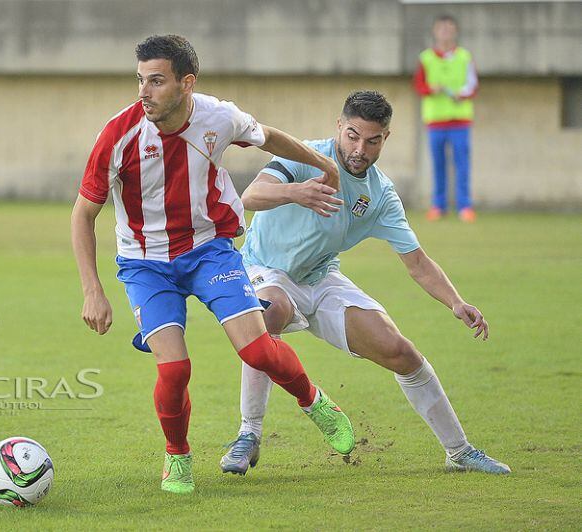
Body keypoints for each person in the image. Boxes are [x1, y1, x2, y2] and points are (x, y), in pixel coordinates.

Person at [71, 34, 355, 495]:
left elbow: (268, 137)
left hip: (208, 249)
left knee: (258, 351)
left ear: (187, 83)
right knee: (174, 370)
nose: (144, 91)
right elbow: (82, 214)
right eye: (140, 80)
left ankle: (315, 402)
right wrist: (92, 290)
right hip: (145, 264)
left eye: (156, 81)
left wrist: (322, 161)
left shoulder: (218, 117)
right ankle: (178, 457)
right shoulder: (118, 135)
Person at [219, 90, 510, 476]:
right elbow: (251, 195)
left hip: (321, 278)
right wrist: (297, 192)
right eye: (353, 136)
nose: (360, 149)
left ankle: (459, 452)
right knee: (269, 311)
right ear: (339, 126)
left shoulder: (381, 196)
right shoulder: (304, 156)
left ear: (385, 139)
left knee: (400, 351)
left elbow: (418, 263)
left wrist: (456, 302)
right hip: (264, 269)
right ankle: (248, 434)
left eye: (373, 141)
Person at [413, 14, 479, 223]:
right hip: (435, 121)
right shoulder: (426, 58)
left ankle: (465, 206)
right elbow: (419, 85)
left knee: (462, 165)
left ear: (455, 32)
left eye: (449, 28)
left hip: (460, 120)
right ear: (435, 31)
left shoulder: (464, 57)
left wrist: (462, 94)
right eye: (441, 28)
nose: (445, 32)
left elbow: (473, 85)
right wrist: (432, 89)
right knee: (438, 165)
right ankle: (438, 206)